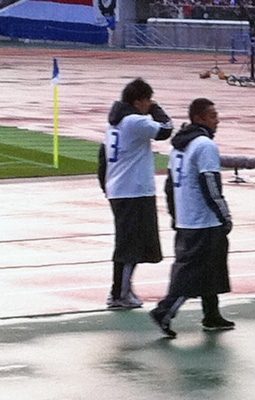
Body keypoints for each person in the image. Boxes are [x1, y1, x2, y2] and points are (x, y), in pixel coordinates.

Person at [149, 98, 234, 338]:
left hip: (187, 218)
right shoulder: (205, 145)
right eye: (212, 116)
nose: (217, 120)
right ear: (199, 118)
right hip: (203, 221)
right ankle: (164, 311)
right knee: (192, 272)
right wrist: (224, 214)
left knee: (209, 267)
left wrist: (175, 214)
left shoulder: (179, 146)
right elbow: (210, 184)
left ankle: (212, 315)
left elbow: (169, 185)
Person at [98, 78, 174, 309]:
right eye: (147, 100)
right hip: (133, 190)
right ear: (138, 101)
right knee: (129, 246)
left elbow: (102, 158)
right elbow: (166, 129)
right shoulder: (133, 121)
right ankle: (118, 293)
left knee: (132, 243)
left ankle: (123, 289)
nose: (149, 104)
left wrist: (106, 186)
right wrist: (156, 108)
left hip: (121, 189)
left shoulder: (115, 123)